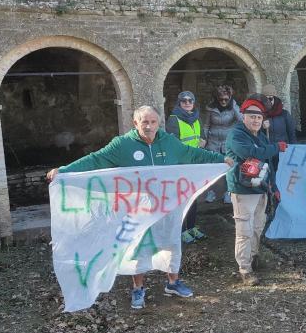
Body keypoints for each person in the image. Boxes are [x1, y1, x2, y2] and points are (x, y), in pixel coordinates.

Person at [46, 106, 232, 310]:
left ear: (159, 123)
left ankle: (173, 282)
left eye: (153, 122)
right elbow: (95, 159)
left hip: (167, 205)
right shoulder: (122, 145)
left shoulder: (169, 142)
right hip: (137, 209)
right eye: (144, 122)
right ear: (135, 123)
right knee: (138, 246)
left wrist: (220, 159)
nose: (149, 126)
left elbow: (193, 154)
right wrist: (64, 171)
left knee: (171, 242)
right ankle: (138, 288)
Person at [226, 96, 286, 286]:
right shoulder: (236, 135)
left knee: (258, 225)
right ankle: (245, 268)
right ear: (243, 117)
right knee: (244, 229)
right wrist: (276, 147)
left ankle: (253, 256)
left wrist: (273, 187)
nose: (255, 120)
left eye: (259, 118)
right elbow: (251, 154)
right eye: (252, 117)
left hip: (261, 187)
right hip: (243, 189)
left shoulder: (259, 136)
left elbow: (267, 164)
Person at [166, 91, 207, 243]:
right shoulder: (174, 119)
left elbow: (201, 136)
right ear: (179, 102)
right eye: (184, 101)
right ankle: (182, 230)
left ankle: (191, 227)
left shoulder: (196, 118)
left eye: (190, 100)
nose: (187, 103)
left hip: (194, 164)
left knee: (193, 197)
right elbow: (173, 145)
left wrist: (203, 141)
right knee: (182, 199)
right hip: (181, 166)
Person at [203, 85, 242, 204]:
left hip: (227, 142)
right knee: (211, 169)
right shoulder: (211, 109)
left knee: (229, 169)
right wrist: (204, 139)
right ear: (216, 99)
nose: (224, 101)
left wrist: (234, 106)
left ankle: (228, 193)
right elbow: (206, 125)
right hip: (213, 142)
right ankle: (211, 191)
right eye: (221, 99)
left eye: (227, 99)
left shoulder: (233, 106)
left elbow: (241, 119)